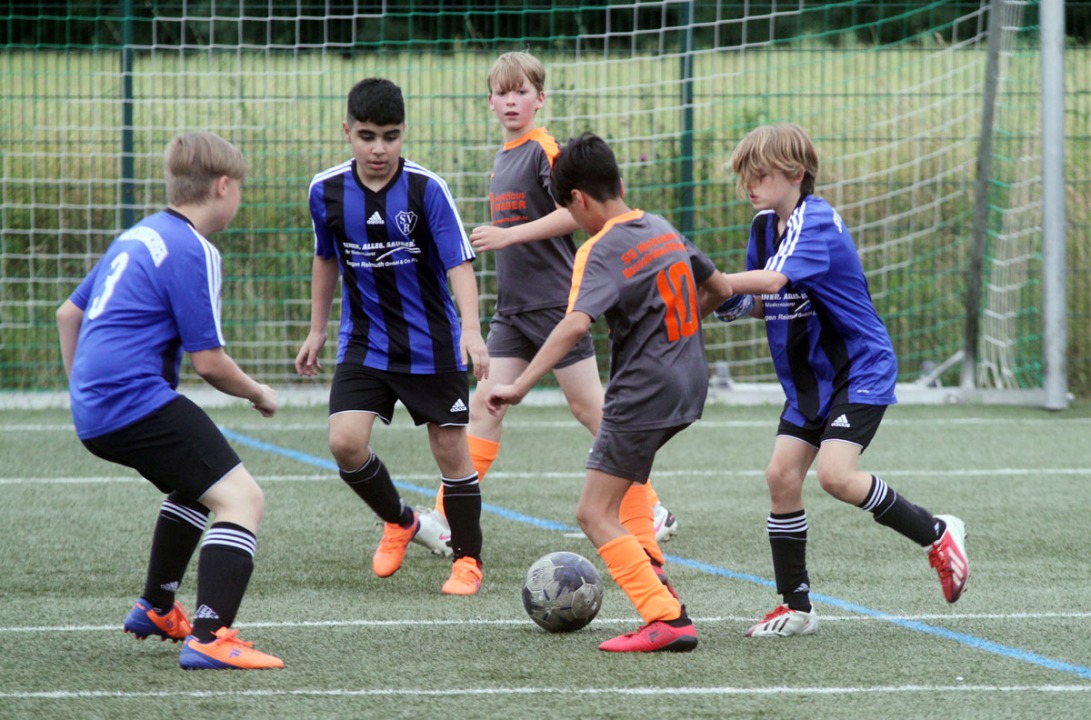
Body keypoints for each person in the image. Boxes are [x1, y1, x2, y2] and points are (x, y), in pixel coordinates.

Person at [418, 51, 679, 564]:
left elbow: (576, 214)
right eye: (503, 93)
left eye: (522, 92)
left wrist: (509, 235)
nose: (512, 101)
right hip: (513, 311)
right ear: (490, 101)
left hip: (557, 306)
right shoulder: (503, 157)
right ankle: (447, 519)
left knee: (591, 410)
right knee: (485, 406)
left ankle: (650, 507)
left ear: (540, 99)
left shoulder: (545, 151)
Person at [714, 123, 969, 638]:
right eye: (745, 175)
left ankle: (937, 532)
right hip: (810, 380)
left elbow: (772, 279)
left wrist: (707, 280)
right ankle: (796, 607)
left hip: (858, 368)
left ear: (796, 174)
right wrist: (729, 303)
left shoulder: (815, 221)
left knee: (834, 475)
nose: (749, 185)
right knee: (781, 477)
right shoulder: (764, 227)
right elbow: (767, 299)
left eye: (759, 174)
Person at [488, 133, 734, 652]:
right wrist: (679, 331)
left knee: (593, 512)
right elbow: (722, 288)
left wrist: (519, 385)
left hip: (645, 390)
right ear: (619, 182)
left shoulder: (598, 249)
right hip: (690, 382)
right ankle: (652, 567)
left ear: (577, 199)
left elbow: (575, 324)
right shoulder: (661, 227)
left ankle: (664, 617)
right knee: (629, 479)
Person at [55, 132, 283, 670]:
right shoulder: (193, 249)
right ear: (223, 187)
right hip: (134, 401)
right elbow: (210, 363)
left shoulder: (137, 235)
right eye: (239, 189)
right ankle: (210, 637)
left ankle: (157, 608)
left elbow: (68, 315)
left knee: (196, 482)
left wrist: (83, 388)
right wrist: (259, 392)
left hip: (96, 407)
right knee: (242, 501)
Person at [295, 78, 489, 596]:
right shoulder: (325, 191)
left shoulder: (427, 189)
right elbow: (325, 258)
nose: (379, 149)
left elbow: (459, 263)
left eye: (390, 136)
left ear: (404, 132)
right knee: (344, 442)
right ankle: (401, 521)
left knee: (451, 450)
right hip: (366, 341)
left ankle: (468, 561)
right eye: (367, 136)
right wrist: (317, 329)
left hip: (432, 343)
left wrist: (471, 330)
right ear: (347, 132)